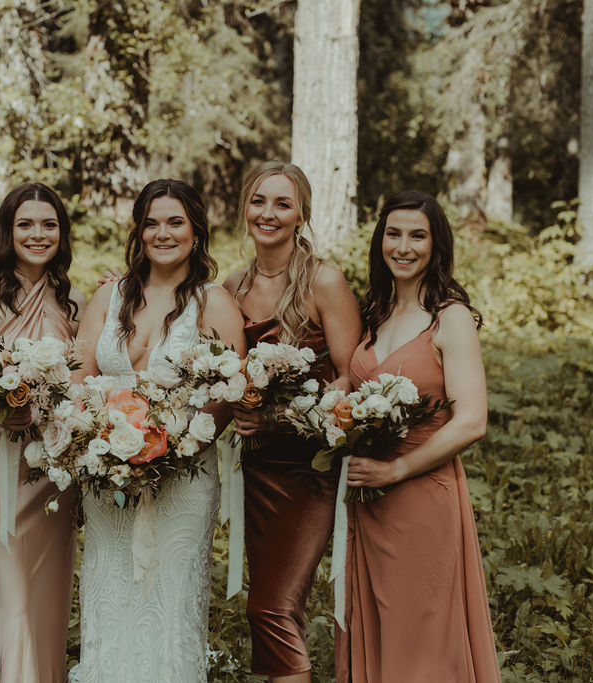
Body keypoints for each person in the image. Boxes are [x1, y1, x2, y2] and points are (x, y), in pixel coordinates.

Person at [71, 179, 246, 682]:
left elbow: (229, 393)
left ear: (196, 230)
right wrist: (99, 442)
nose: (162, 233)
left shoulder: (214, 303)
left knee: (169, 602)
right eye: (151, 223)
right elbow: (81, 378)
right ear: (138, 230)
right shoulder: (110, 294)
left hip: (183, 481)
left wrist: (174, 447)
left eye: (175, 222)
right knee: (110, 597)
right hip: (108, 481)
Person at [335, 190, 500, 681]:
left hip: (421, 492)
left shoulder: (449, 318)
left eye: (417, 235)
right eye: (393, 233)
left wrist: (398, 467)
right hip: (368, 499)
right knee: (379, 624)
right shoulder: (375, 312)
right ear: (380, 241)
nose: (403, 246)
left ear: (436, 245)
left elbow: (472, 420)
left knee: (422, 633)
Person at [222, 161, 361, 683]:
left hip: (309, 469)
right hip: (257, 468)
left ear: (301, 213)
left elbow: (350, 376)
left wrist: (284, 413)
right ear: (245, 209)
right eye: (259, 201)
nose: (268, 213)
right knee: (268, 607)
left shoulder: (323, 282)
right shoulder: (233, 286)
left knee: (272, 609)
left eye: (282, 203)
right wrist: (126, 281)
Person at [0, 182, 86, 683]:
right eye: (25, 223)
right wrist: (2, 408)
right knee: (13, 599)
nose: (37, 233)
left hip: (54, 476)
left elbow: (83, 382)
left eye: (49, 224)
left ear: (62, 233)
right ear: (8, 230)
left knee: (47, 604)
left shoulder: (73, 301)